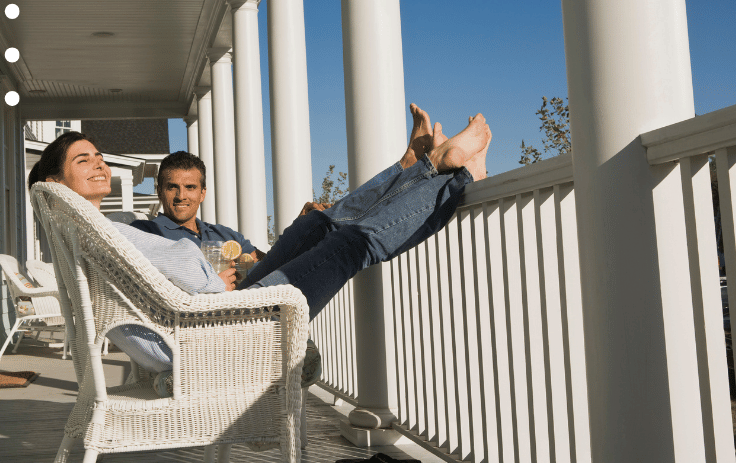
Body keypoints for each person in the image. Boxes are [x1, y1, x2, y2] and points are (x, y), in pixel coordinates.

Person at [29, 104, 492, 390]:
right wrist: (219, 286)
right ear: (54, 181)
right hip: (210, 338)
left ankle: (422, 167)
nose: (99, 164)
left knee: (315, 227)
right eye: (82, 160)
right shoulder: (106, 228)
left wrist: (226, 280)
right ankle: (451, 176)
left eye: (98, 156)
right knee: (350, 244)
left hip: (200, 328)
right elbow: (188, 269)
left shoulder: (87, 229)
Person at [130, 151, 265, 262]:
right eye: (172, 187)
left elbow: (266, 264)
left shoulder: (225, 234)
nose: (181, 196)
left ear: (202, 194)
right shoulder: (145, 231)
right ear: (159, 192)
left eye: (190, 187)